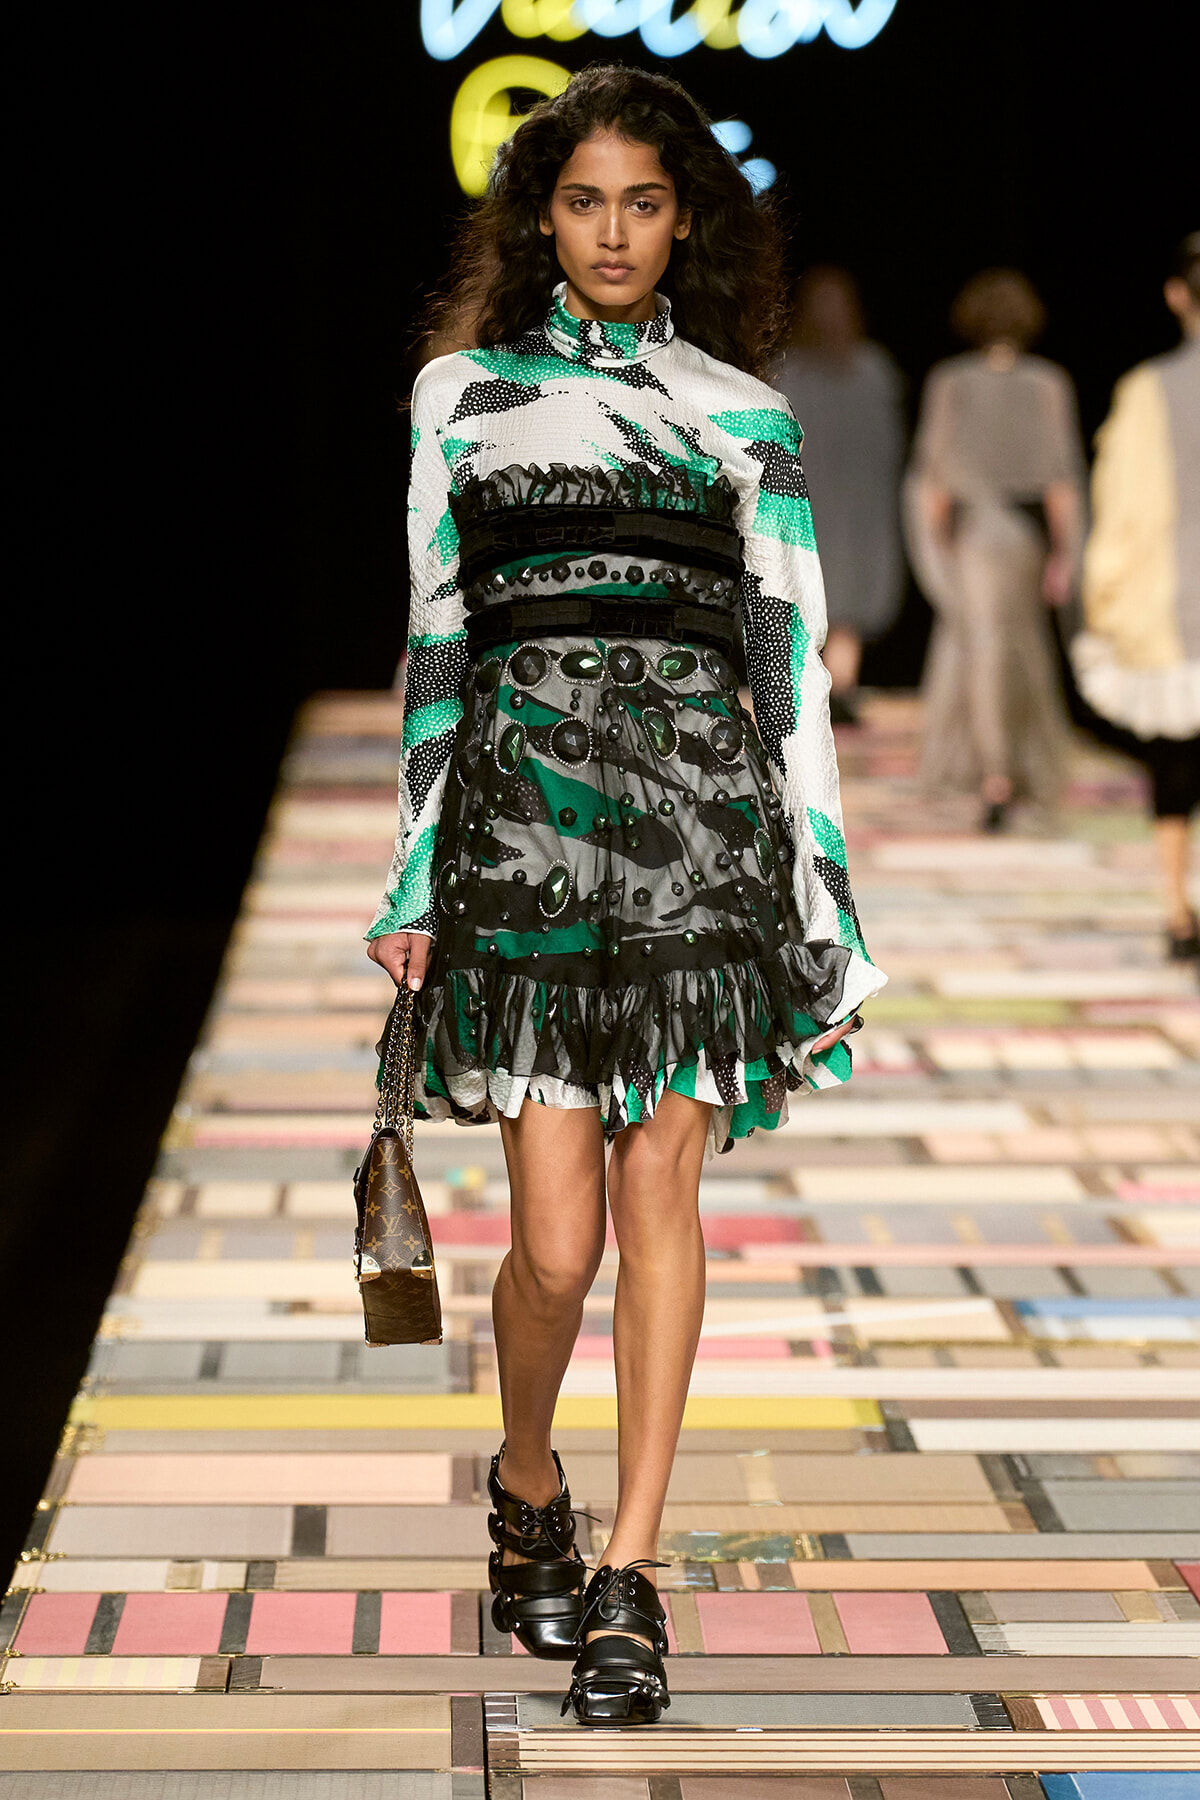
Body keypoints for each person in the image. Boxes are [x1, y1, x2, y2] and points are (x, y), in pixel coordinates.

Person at [366, 66, 885, 1726]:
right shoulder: (462, 398)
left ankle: (633, 1576)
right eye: (584, 201)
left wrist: (821, 887)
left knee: (661, 1191)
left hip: (702, 839)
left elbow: (786, 664)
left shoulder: (745, 417)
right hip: (521, 836)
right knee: (554, 1245)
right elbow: (437, 643)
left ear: (685, 222)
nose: (612, 232)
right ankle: (529, 1479)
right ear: (542, 219)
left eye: (643, 203)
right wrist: (412, 869)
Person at [904, 269, 1086, 830]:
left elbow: (932, 478)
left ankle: (995, 775)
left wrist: (935, 545)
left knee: (982, 646)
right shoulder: (1047, 382)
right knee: (1015, 646)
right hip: (1024, 539)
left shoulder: (951, 381)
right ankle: (1007, 767)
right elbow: (1062, 481)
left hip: (976, 538)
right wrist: (1065, 554)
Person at [1074, 234, 1200, 959]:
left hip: (1171, 602)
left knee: (1176, 762)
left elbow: (1120, 506)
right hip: (1175, 598)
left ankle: (1179, 910)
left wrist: (1104, 600)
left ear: (1177, 296)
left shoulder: (1147, 391)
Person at [775, 266, 905, 724]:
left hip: (858, 503)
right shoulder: (787, 371)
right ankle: (803, 688)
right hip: (804, 500)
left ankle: (841, 689)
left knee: (851, 594)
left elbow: (887, 443)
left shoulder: (874, 371)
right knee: (801, 592)